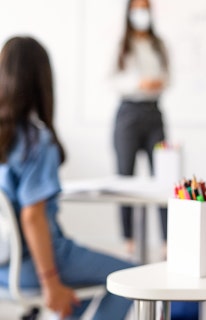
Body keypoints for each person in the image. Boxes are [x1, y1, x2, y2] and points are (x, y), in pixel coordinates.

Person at [0, 36, 133, 319]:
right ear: (41, 81)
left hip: (3, 265)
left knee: (75, 298)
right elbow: (32, 217)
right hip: (33, 264)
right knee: (131, 278)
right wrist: (50, 283)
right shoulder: (36, 141)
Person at [113, 0, 170, 255]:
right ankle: (128, 239)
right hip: (128, 113)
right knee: (125, 176)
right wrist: (138, 83)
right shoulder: (120, 46)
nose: (141, 14)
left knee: (163, 176)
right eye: (137, 9)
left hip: (154, 112)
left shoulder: (160, 45)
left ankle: (166, 241)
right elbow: (110, 79)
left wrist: (156, 84)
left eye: (145, 8)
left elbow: (169, 77)